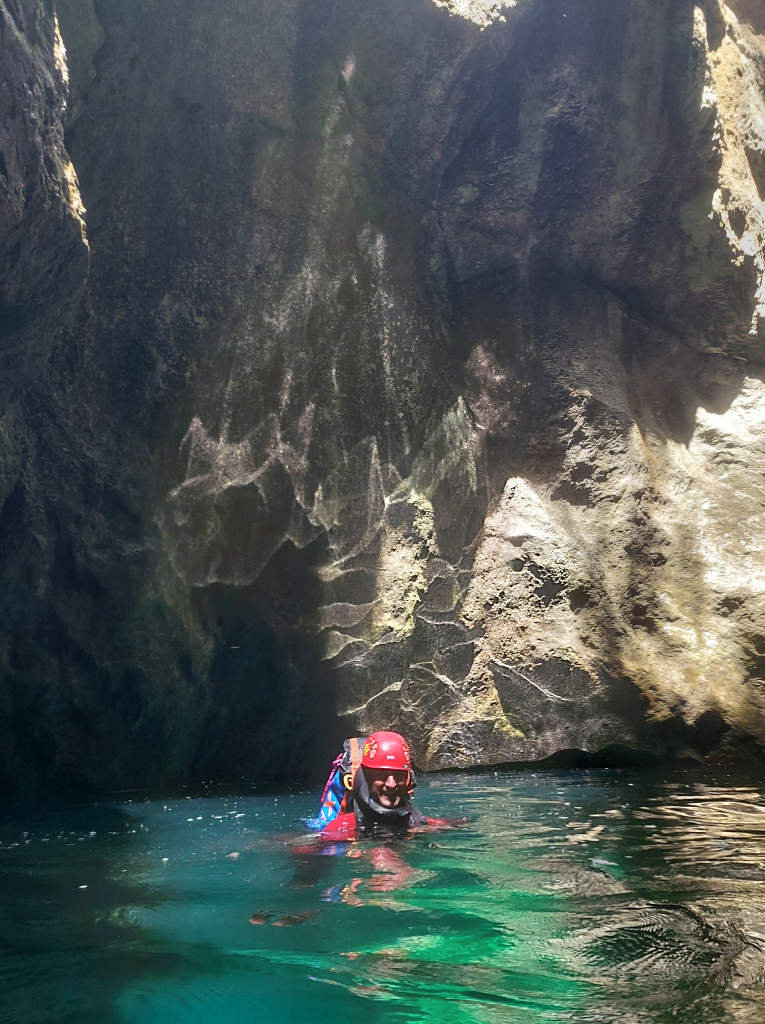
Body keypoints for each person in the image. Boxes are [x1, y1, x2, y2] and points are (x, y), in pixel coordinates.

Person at [307, 731, 450, 839]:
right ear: (366, 777)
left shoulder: (418, 821)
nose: (391, 784)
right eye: (381, 775)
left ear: (408, 780)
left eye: (399, 776)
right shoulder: (340, 828)